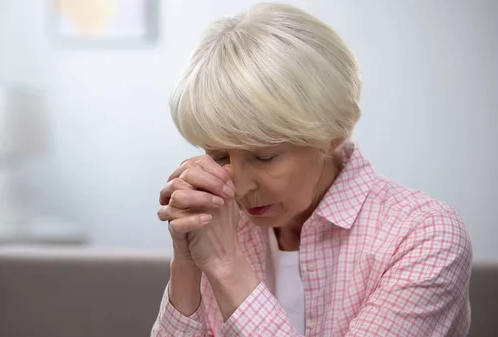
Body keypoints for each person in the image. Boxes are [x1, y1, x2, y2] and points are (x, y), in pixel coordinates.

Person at [151, 3, 471, 337]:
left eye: (264, 156)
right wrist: (186, 265)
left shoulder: (424, 235)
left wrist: (227, 267)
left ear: (332, 135)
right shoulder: (218, 221)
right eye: (219, 156)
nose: (240, 187)